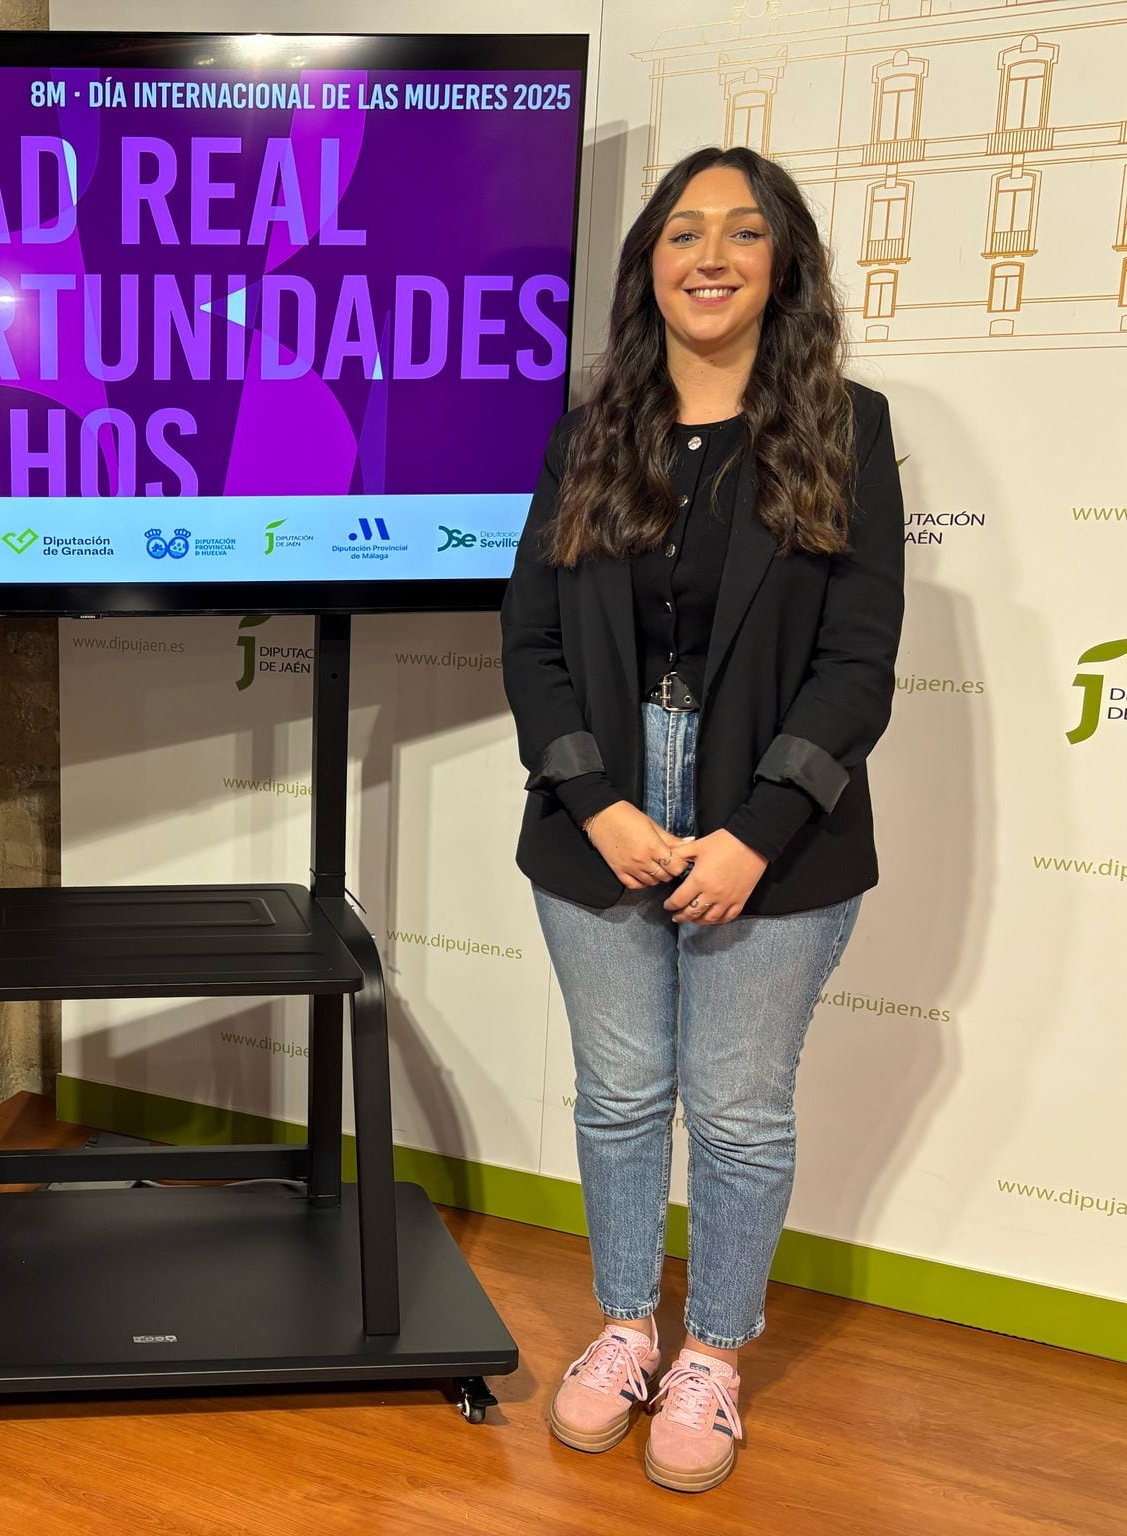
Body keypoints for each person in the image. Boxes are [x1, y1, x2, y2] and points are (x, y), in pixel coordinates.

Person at [500, 146, 903, 1493]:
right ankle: (627, 1327)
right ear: (650, 267)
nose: (709, 255)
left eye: (740, 233)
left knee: (735, 1111)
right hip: (600, 820)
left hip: (768, 827)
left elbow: (858, 661)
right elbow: (532, 639)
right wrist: (597, 800)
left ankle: (714, 1351)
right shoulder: (589, 432)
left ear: (780, 264)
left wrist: (758, 830)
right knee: (619, 1097)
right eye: (682, 232)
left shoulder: (850, 431)